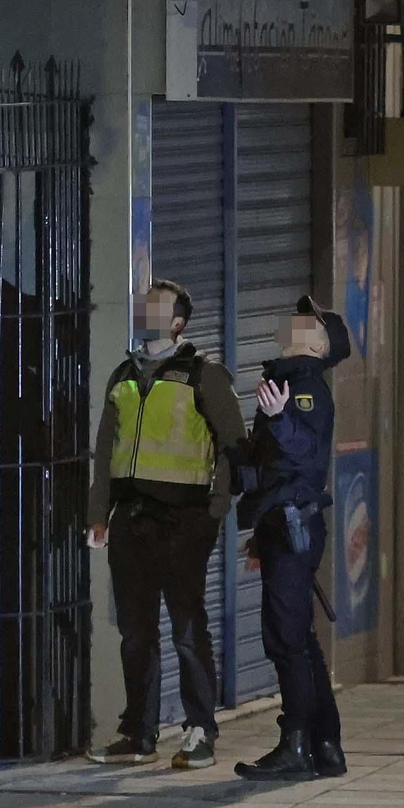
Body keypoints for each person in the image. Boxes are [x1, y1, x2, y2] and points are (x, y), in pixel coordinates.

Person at [86, 279, 246, 770]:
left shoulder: (205, 374)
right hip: (131, 521)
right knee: (135, 633)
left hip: (185, 522)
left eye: (155, 308)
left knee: (186, 628)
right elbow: (104, 451)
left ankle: (200, 730)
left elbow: (234, 445)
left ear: (177, 323)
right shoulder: (124, 374)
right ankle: (138, 732)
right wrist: (98, 514)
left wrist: (214, 511)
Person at [232, 296, 352, 782]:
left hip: (294, 524)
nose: (292, 323)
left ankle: (295, 745)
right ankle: (326, 746)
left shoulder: (305, 388)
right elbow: (272, 467)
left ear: (319, 342)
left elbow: (306, 450)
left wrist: (280, 419)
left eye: (307, 321)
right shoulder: (287, 381)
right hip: (282, 524)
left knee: (286, 641)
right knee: (299, 638)